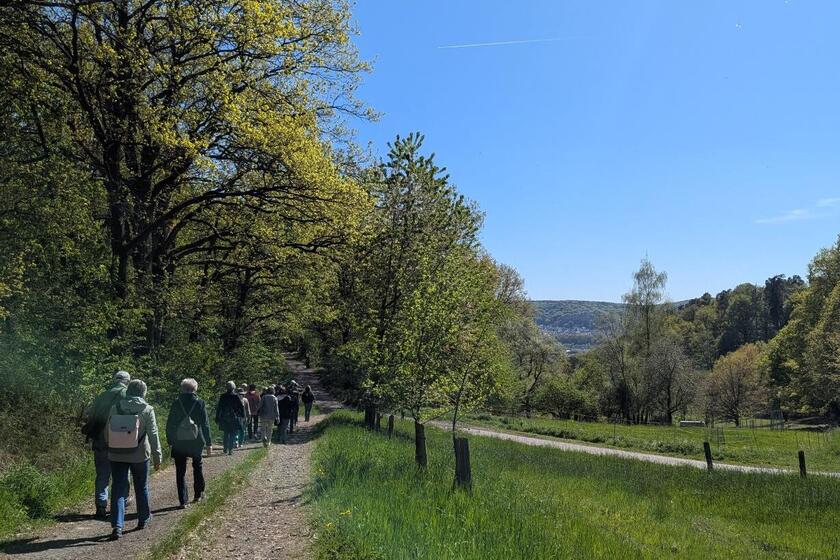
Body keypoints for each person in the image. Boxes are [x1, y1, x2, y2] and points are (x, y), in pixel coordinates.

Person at [107, 379, 162, 540]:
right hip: (139, 454)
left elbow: (107, 430)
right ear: (144, 392)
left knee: (118, 488)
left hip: (117, 454)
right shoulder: (147, 409)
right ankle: (143, 518)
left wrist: (110, 447)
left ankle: (117, 525)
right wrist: (157, 455)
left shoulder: (115, 407)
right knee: (141, 486)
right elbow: (153, 433)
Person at [83, 370, 130, 520]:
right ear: (127, 381)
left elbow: (91, 415)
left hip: (100, 439)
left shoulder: (102, 395)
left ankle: (101, 505)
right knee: (122, 473)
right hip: (120, 439)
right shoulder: (127, 394)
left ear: (114, 380)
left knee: (102, 474)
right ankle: (122, 501)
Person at [166, 378, 212, 509]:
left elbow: (170, 424)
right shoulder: (199, 403)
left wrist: (170, 440)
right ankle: (198, 494)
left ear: (182, 389)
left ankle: (183, 500)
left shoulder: (176, 403)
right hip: (196, 440)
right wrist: (209, 442)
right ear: (195, 389)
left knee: (180, 470)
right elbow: (205, 424)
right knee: (197, 466)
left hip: (179, 440)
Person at [215, 381, 245, 455]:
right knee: (232, 433)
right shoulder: (236, 396)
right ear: (234, 387)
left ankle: (225, 448)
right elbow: (241, 407)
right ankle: (230, 449)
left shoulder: (223, 396)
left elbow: (219, 408)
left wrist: (217, 417)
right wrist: (242, 415)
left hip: (224, 418)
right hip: (234, 417)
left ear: (226, 387)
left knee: (226, 433)